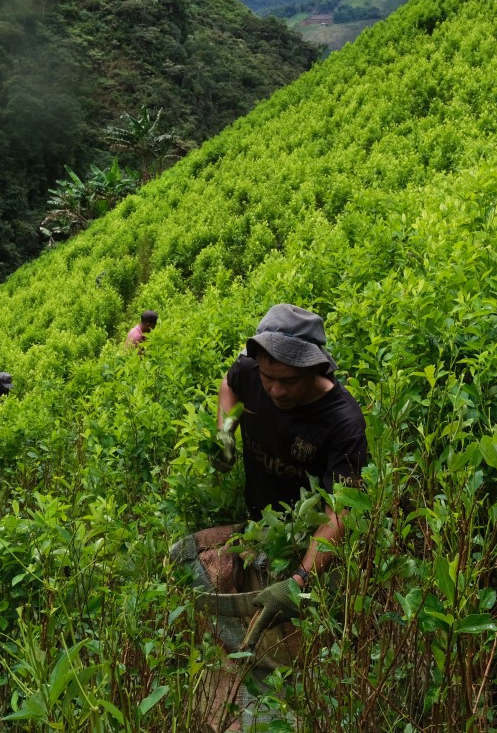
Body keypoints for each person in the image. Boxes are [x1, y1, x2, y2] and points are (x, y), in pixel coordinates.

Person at [180, 303, 368, 730]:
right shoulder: (251, 373)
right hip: (257, 523)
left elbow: (342, 512)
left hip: (304, 543)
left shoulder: (342, 422)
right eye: (268, 379)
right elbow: (230, 383)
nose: (275, 391)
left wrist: (300, 582)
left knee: (300, 648)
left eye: (288, 382)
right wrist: (225, 433)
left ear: (316, 369)